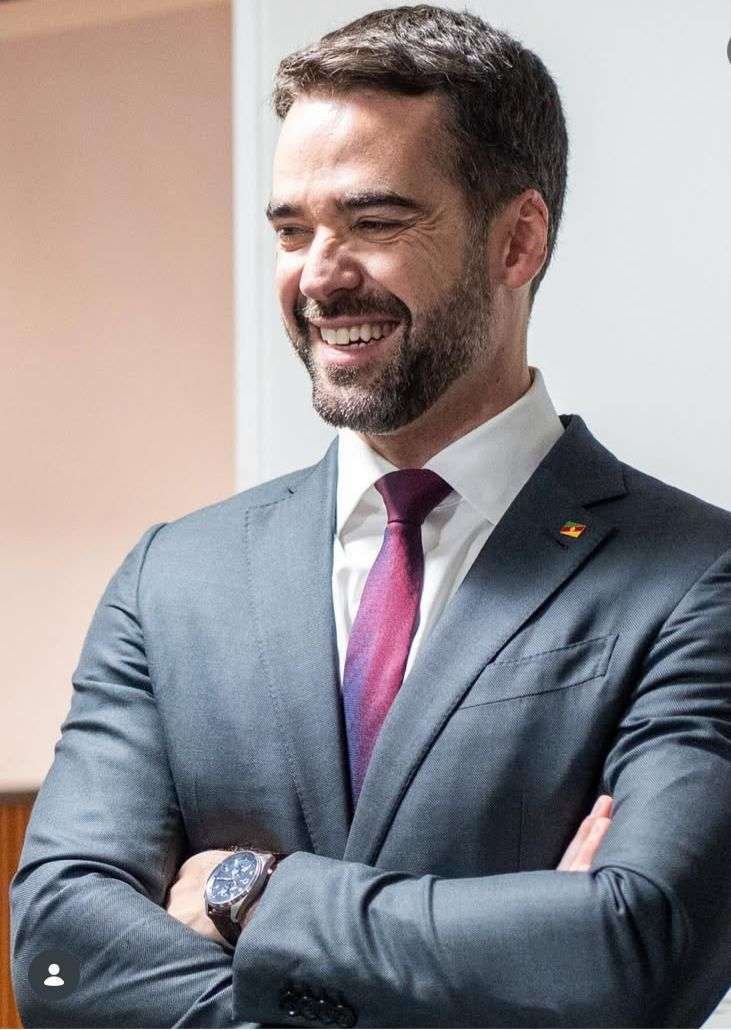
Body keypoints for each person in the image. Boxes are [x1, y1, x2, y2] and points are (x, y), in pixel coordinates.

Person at [11, 5, 731, 1027]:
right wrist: (517, 955)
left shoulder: (694, 574)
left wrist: (253, 895)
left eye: (376, 224)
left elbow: (636, 947)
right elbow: (57, 954)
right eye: (291, 230)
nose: (318, 275)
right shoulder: (172, 578)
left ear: (517, 239)